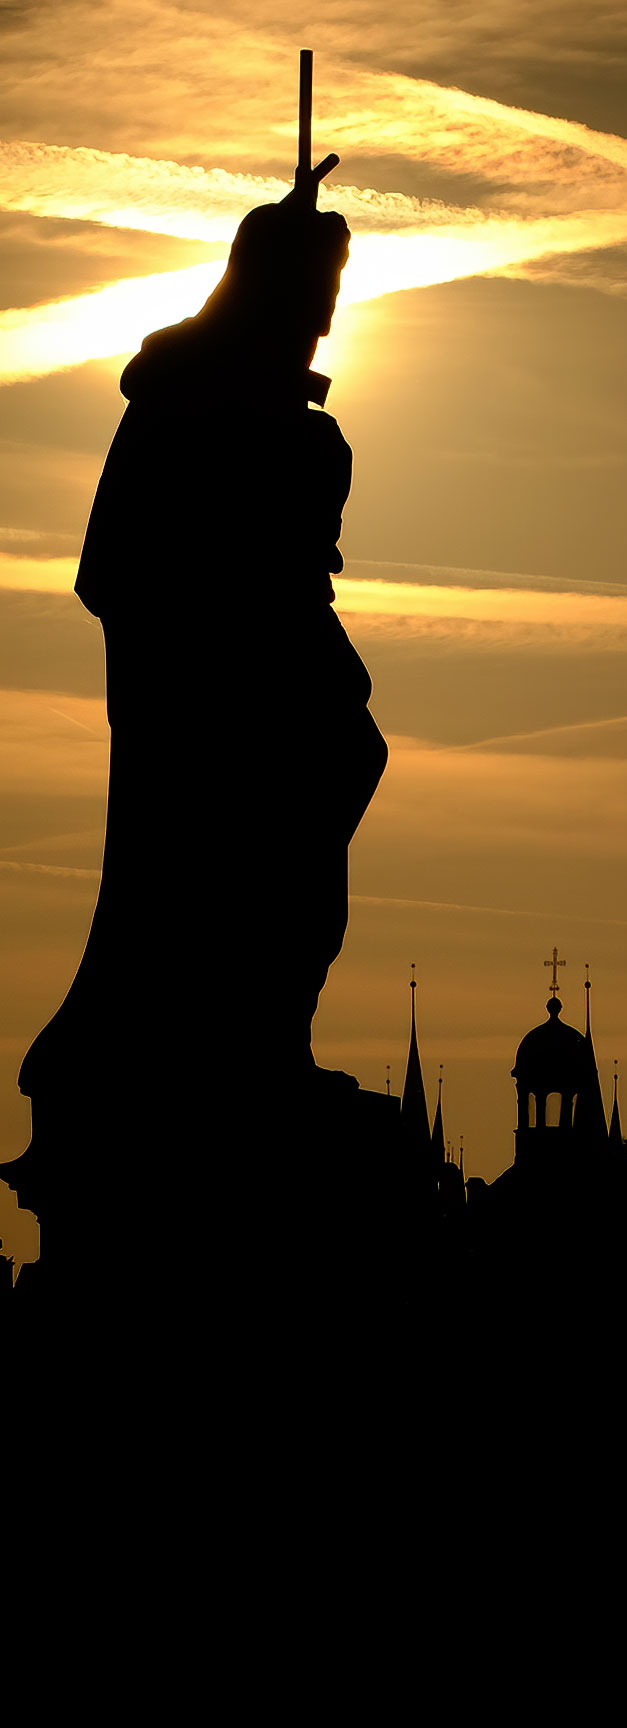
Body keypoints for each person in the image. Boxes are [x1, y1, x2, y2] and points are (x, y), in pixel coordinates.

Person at [7, 152, 382, 1265]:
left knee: (314, 834)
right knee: (219, 866)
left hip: (289, 688)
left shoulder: (296, 426)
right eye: (311, 299)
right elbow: (111, 566)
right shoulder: (176, 408)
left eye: (334, 303)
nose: (323, 324)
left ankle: (268, 1042)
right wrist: (230, 589)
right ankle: (213, 1062)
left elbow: (307, 563)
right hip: (209, 703)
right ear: (265, 293)